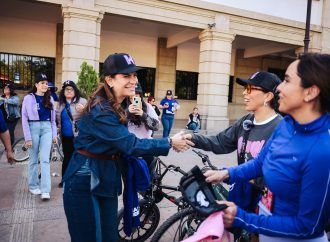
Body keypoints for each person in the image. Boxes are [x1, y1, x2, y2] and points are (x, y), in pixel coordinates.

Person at [62, 53, 192, 242]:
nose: (133, 80)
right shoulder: (101, 110)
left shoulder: (120, 104)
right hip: (84, 179)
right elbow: (130, 144)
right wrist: (170, 142)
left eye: (134, 75)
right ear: (109, 80)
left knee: (109, 237)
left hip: (105, 176)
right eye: (126, 76)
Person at [204, 53, 330, 241]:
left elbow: (308, 226)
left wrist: (243, 218)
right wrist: (226, 174)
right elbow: (260, 163)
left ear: (310, 92)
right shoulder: (287, 125)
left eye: (287, 81)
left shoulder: (323, 151)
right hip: (265, 229)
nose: (279, 87)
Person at [184, 71, 282, 215]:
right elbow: (220, 142)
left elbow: (278, 174)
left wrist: (228, 174)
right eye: (245, 89)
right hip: (241, 192)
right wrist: (192, 138)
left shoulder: (281, 128)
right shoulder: (245, 121)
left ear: (268, 96)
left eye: (250, 89)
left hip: (265, 202)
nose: (244, 93)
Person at [22, 73, 57, 200]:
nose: (45, 85)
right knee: (33, 159)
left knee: (45, 159)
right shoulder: (28, 98)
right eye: (42, 83)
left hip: (47, 128)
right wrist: (28, 138)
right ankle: (33, 185)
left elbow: (53, 120)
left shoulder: (50, 99)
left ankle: (45, 189)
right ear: (36, 84)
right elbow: (24, 119)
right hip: (32, 128)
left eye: (46, 83)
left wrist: (54, 134)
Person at [56, 80, 87, 187]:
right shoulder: (60, 104)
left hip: (79, 136)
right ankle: (65, 179)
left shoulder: (82, 101)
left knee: (79, 158)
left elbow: (92, 116)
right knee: (67, 158)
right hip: (65, 137)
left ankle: (78, 180)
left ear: (75, 91)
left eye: (71, 89)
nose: (69, 91)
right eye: (66, 89)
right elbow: (57, 121)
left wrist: (84, 110)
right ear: (63, 92)